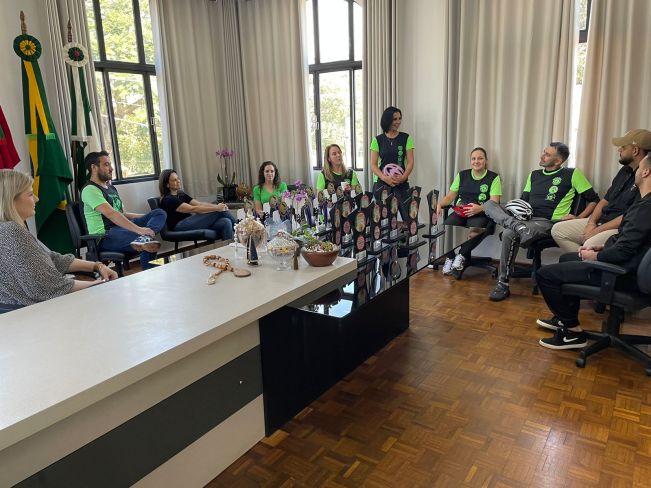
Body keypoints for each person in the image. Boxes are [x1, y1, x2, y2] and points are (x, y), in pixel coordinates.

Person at [536, 153, 651, 350]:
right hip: (629, 266)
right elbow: (632, 243)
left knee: (545, 275)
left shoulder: (645, 208)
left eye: (639, 168)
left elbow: (624, 251)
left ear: (646, 172)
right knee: (566, 259)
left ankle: (573, 333)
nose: (637, 172)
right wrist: (602, 247)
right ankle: (566, 320)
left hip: (623, 274)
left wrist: (596, 256)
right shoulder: (643, 204)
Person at [483, 142, 600, 301]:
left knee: (509, 234)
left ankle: (502, 283)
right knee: (489, 204)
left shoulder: (572, 174)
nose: (542, 155)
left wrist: (578, 218)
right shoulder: (534, 175)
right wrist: (513, 209)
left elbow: (594, 200)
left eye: (547, 154)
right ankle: (517, 226)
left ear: (558, 161)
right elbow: (523, 201)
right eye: (544, 152)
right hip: (526, 219)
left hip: (549, 222)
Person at [0, 169, 118, 306]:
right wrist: (99, 285)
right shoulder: (10, 231)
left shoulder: (8, 229)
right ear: (11, 200)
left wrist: (97, 266)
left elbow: (52, 258)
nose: (37, 199)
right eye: (30, 194)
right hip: (31, 313)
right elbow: (46, 288)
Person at [551, 129, 651, 252]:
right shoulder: (624, 170)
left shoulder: (646, 177)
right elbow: (605, 201)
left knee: (590, 243)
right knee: (558, 230)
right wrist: (591, 223)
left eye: (623, 147)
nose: (619, 150)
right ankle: (584, 261)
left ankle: (589, 259)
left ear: (635, 151)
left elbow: (630, 216)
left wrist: (597, 230)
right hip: (602, 220)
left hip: (620, 227)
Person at [80, 151, 166, 271]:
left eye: (110, 164)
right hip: (105, 236)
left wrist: (147, 218)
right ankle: (151, 273)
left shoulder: (111, 188)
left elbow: (123, 213)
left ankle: (143, 239)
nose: (111, 169)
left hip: (122, 228)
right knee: (148, 242)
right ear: (94, 168)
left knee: (159, 213)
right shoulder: (90, 189)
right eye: (106, 165)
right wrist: (140, 230)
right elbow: (111, 214)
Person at [436, 147, 502, 277]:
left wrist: (480, 208)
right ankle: (450, 258)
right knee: (445, 228)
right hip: (461, 212)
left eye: (480, 158)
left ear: (486, 160)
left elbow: (494, 202)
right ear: (470, 161)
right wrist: (439, 204)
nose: (476, 161)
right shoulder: (462, 175)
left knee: (474, 231)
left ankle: (461, 256)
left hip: (481, 213)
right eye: (473, 159)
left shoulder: (494, 178)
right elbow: (450, 197)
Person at [158, 169, 234, 240]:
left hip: (190, 222)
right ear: (167, 185)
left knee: (226, 222)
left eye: (178, 178)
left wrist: (218, 206)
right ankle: (239, 228)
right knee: (221, 211)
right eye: (174, 180)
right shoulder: (168, 199)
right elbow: (193, 209)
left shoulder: (181, 194)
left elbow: (199, 204)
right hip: (179, 226)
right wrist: (217, 208)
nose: (178, 181)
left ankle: (230, 247)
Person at [370, 106, 414, 219]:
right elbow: (373, 165)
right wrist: (385, 178)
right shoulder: (377, 140)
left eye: (399, 118)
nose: (398, 122)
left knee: (409, 218)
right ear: (387, 120)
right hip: (382, 184)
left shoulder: (406, 138)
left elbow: (410, 162)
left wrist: (403, 177)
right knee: (384, 220)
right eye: (395, 119)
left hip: (402, 183)